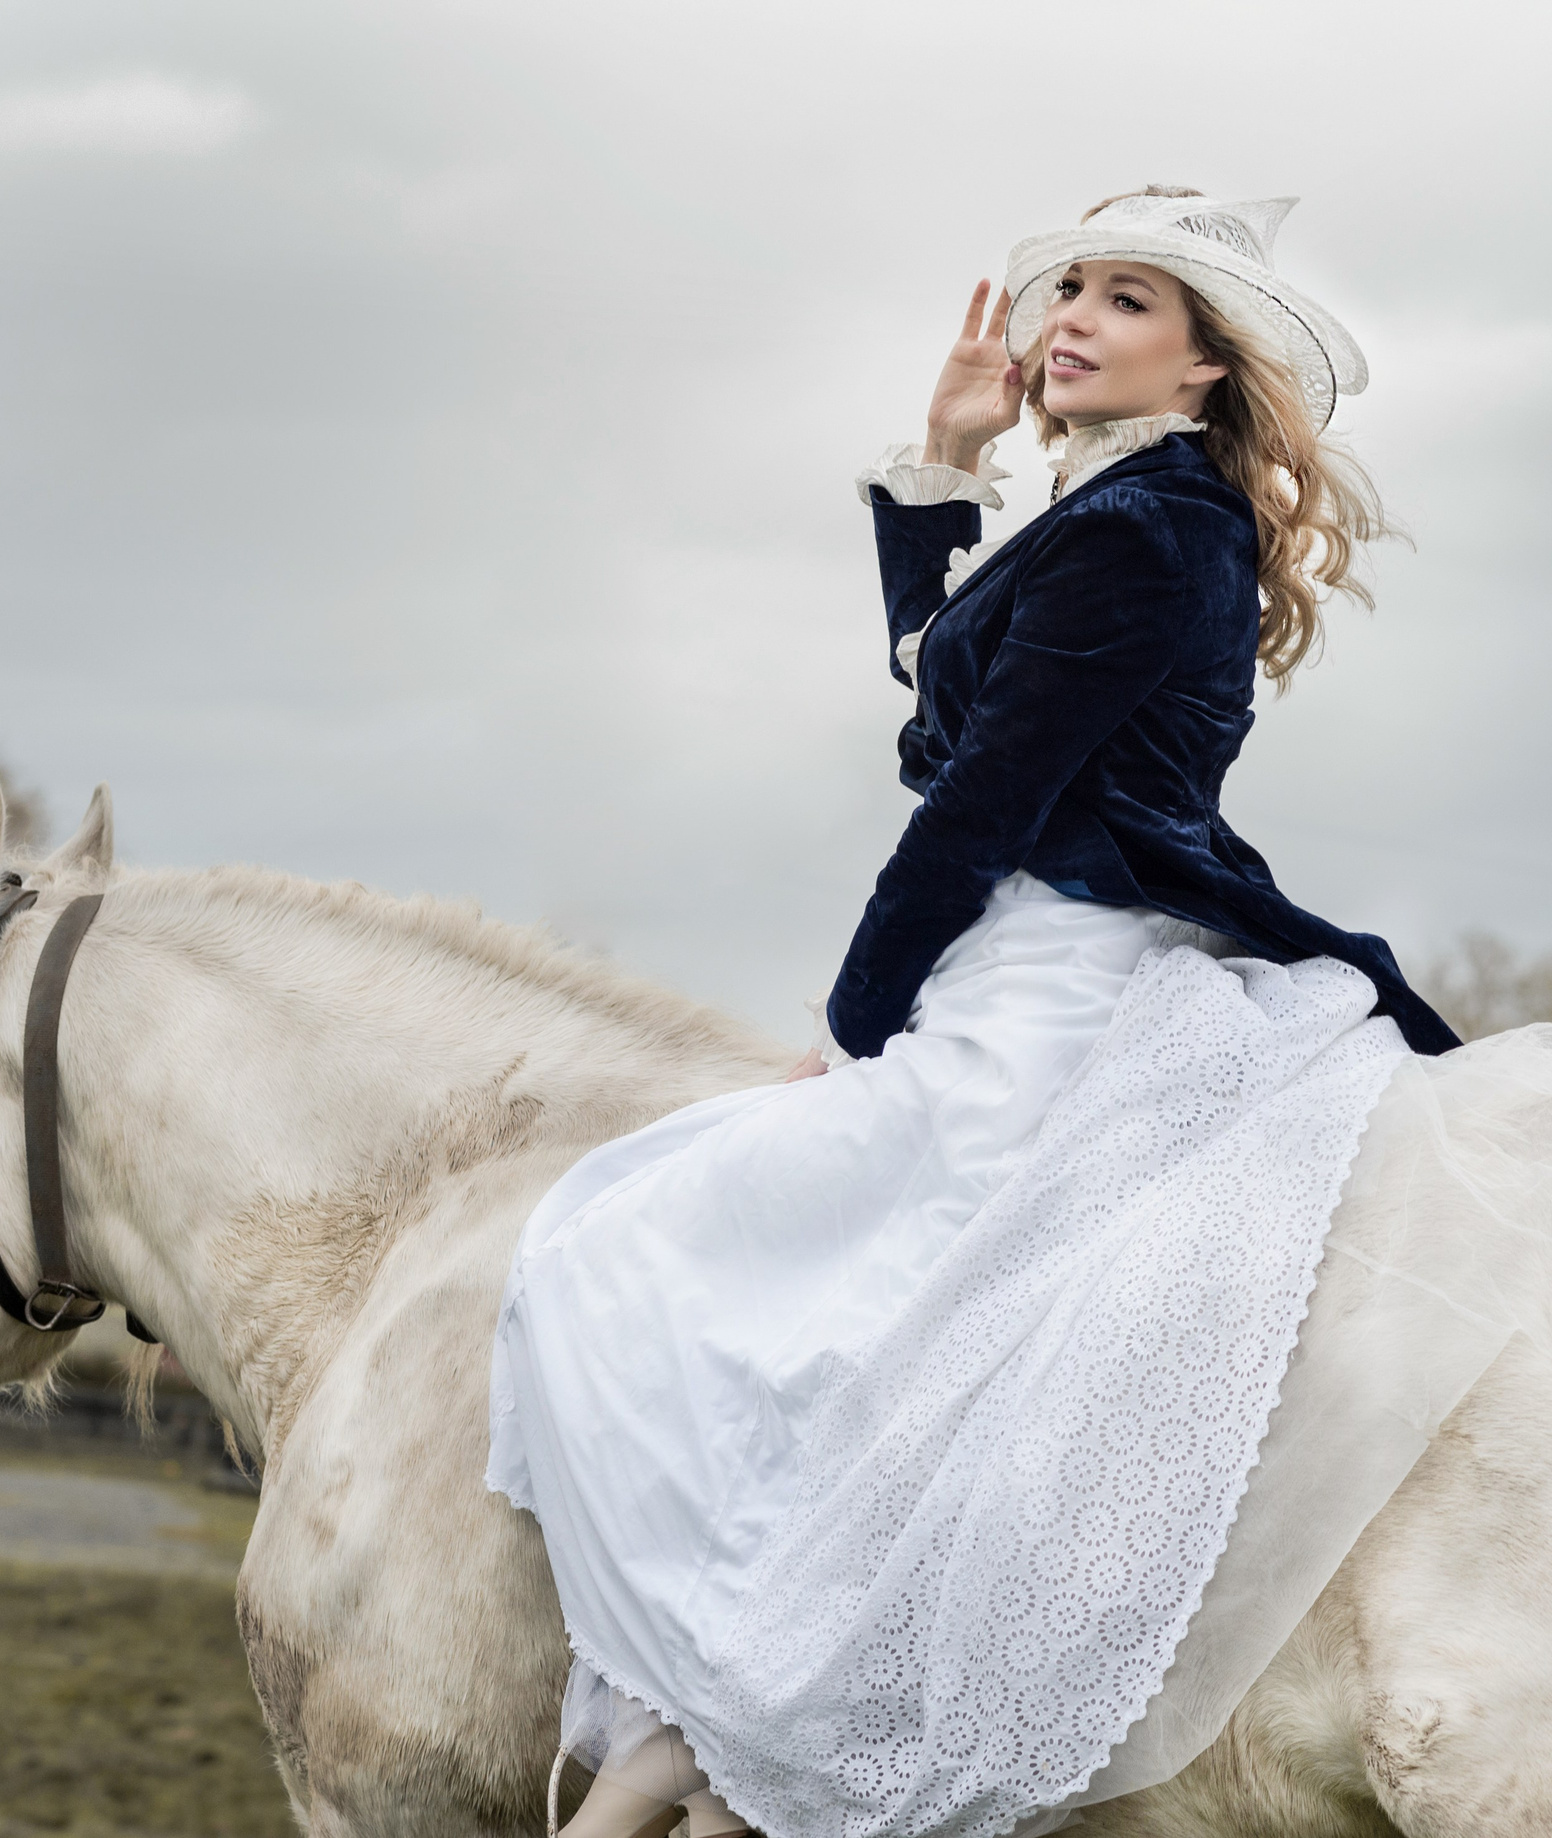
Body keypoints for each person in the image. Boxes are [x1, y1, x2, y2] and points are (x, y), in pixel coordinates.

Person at [488, 186, 1457, 1838]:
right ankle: (728, 1714)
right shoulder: (1118, 513)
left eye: (1127, 299)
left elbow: (978, 792)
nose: (1069, 315)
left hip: (1053, 986)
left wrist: (860, 1023)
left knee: (628, 1247)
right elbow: (947, 685)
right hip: (1025, 957)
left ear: (1204, 369)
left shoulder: (1155, 531)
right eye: (1067, 287)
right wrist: (947, 466)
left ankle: (765, 1703)